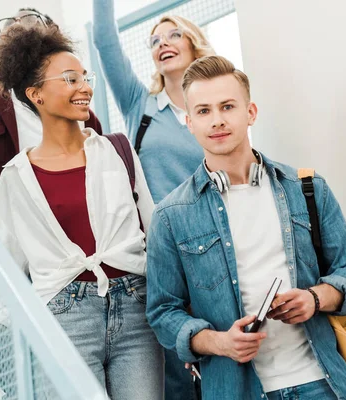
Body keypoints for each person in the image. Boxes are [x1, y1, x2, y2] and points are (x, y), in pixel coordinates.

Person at [146, 55, 346, 400]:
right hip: (236, 390)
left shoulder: (306, 189)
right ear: (189, 122)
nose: (217, 120)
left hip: (320, 383)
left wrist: (314, 298)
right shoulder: (170, 215)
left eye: (227, 107)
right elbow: (163, 313)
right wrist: (219, 342)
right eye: (204, 111)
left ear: (250, 112)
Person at [0, 24, 164, 399]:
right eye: (70, 79)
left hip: (136, 308)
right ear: (36, 95)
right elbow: (10, 268)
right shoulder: (15, 180)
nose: (85, 87)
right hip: (64, 316)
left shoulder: (118, 151)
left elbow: (155, 233)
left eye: (86, 77)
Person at [93, 1, 213, 397]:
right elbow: (106, 43)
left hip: (214, 247)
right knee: (176, 365)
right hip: (161, 252)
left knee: (223, 352)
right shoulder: (140, 105)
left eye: (174, 34)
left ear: (195, 43)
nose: (163, 43)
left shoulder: (212, 108)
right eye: (154, 41)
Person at [0, 7, 102, 227]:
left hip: (78, 245)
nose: (16, 25)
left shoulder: (86, 119)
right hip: (1, 256)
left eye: (29, 18)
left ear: (51, 34)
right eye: (8, 24)